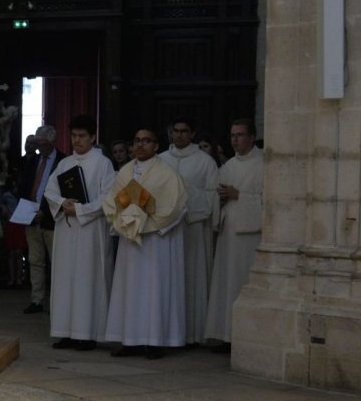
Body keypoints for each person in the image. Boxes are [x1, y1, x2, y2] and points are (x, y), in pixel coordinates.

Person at [102, 128, 187, 358]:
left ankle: (153, 340)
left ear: (156, 145)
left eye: (146, 141)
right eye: (137, 141)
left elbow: (176, 206)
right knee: (129, 289)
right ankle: (130, 340)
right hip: (130, 241)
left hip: (153, 243)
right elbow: (112, 202)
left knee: (152, 289)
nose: (140, 145)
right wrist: (125, 220)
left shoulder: (167, 173)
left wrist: (146, 222)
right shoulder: (125, 171)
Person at [44, 114, 115, 349]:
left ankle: (87, 333)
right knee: (66, 279)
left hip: (90, 232)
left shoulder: (102, 163)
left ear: (93, 137)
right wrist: (63, 204)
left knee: (88, 279)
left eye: (82, 136)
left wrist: (82, 209)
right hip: (66, 230)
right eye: (74, 136)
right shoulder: (64, 164)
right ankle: (65, 330)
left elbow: (108, 197)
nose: (77, 141)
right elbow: (50, 191)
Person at [159, 117, 221, 346]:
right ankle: (165, 331)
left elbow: (211, 196)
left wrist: (185, 193)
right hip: (165, 229)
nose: (180, 135)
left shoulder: (205, 162)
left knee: (192, 278)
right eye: (176, 131)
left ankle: (193, 333)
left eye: (185, 131)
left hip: (192, 227)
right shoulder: (161, 160)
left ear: (193, 134)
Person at [205, 118, 264, 351]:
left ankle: (244, 336)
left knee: (241, 283)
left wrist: (239, 195)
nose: (235, 140)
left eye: (240, 135)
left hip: (248, 236)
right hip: (228, 234)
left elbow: (273, 203)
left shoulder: (264, 164)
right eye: (232, 136)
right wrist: (219, 199)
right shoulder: (228, 166)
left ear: (251, 137)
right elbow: (215, 198)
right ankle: (224, 335)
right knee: (225, 284)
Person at [16, 125, 63, 314]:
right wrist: (26, 209)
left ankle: (58, 301)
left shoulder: (63, 161)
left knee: (56, 261)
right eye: (37, 143)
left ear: (52, 142)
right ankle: (36, 300)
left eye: (43, 144)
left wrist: (45, 210)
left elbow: (63, 191)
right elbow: (25, 186)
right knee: (35, 260)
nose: (39, 148)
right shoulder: (32, 161)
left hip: (51, 219)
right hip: (30, 217)